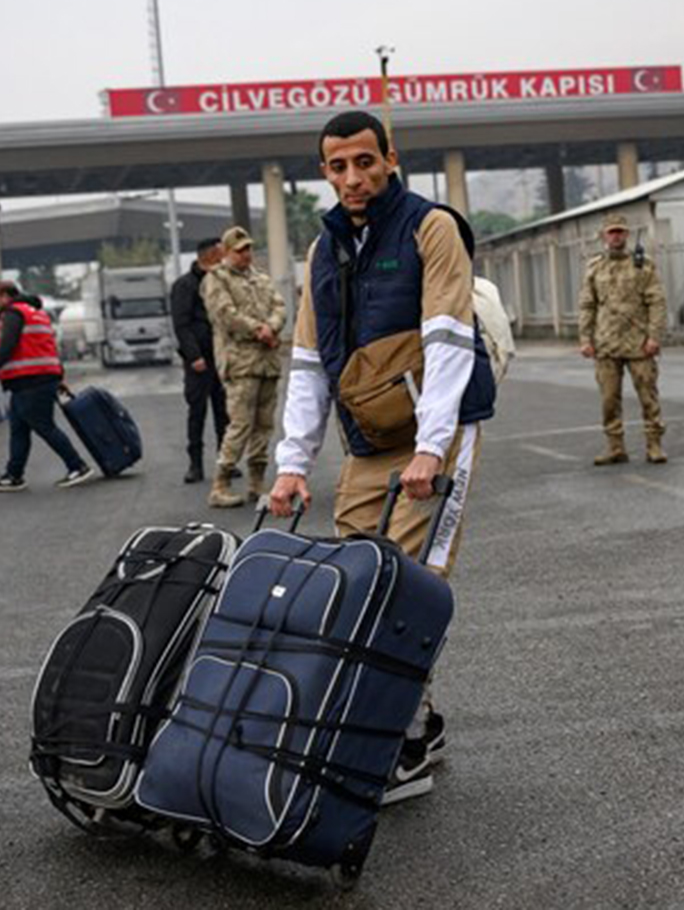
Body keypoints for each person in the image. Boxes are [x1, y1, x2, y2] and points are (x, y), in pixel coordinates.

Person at [268, 110, 497, 805]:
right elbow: (309, 362)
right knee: (355, 585)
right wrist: (291, 462)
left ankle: (397, 748)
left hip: (438, 433)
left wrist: (432, 449)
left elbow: (450, 336)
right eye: (338, 167)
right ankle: (414, 724)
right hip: (367, 439)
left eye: (365, 162)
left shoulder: (431, 228)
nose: (353, 178)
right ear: (324, 172)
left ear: (390, 158)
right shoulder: (323, 249)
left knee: (405, 591)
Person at [0, 281, 94, 492]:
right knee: (19, 429)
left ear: (5, 296)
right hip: (37, 379)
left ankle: (77, 465)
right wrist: (58, 376)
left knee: (44, 426)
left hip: (30, 381)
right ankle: (14, 475)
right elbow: (48, 347)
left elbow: (8, 344)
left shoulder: (13, 313)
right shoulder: (37, 313)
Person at [201, 226, 286, 508]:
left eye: (248, 249)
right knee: (240, 423)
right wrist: (257, 329)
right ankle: (221, 484)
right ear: (226, 252)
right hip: (241, 362)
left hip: (267, 361)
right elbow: (224, 314)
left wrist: (271, 327)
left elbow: (279, 306)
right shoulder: (216, 279)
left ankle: (257, 483)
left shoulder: (260, 277)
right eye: (240, 251)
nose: (246, 254)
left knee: (264, 424)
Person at [577, 213, 669, 465]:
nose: (616, 236)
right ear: (604, 236)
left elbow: (657, 302)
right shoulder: (595, 267)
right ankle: (615, 446)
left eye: (620, 231)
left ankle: (654, 444)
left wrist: (654, 336)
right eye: (611, 232)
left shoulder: (643, 265)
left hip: (639, 343)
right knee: (609, 399)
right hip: (606, 344)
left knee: (648, 397)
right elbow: (587, 305)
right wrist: (585, 338)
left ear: (627, 234)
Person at [170, 238, 229, 484]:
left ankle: (225, 461)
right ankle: (195, 464)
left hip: (221, 357)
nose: (224, 256)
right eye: (221, 252)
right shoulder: (185, 285)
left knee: (223, 412)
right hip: (199, 360)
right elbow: (181, 324)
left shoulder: (221, 281)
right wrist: (194, 356)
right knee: (197, 412)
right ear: (209, 255)